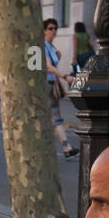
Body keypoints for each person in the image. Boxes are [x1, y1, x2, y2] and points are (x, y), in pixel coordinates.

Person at [43, 19, 78, 159]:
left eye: (55, 28)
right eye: (50, 28)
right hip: (45, 85)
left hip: (51, 85)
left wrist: (58, 55)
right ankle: (66, 147)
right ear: (44, 30)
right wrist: (64, 76)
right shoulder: (42, 46)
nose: (54, 31)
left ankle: (65, 147)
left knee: (52, 117)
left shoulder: (51, 47)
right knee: (54, 117)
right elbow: (48, 67)